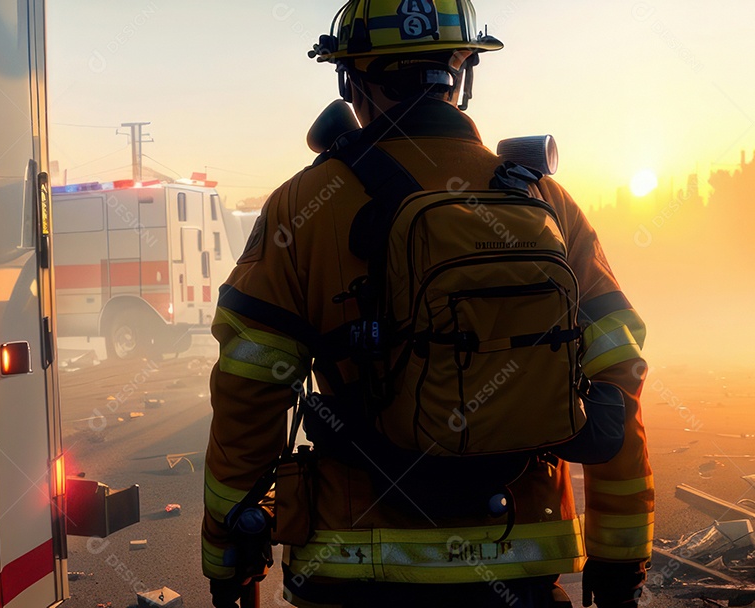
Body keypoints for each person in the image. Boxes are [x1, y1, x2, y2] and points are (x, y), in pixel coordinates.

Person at [202, 1, 654, 607]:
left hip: (353, 566)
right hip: (518, 559)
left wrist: (227, 557)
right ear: (463, 68)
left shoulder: (304, 203)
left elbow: (249, 390)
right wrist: (621, 561)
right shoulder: (545, 201)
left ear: (351, 78)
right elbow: (616, 376)